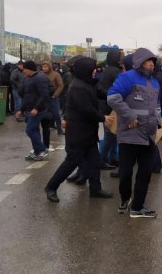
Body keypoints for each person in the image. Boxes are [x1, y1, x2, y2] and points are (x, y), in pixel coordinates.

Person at [45, 57, 113, 202]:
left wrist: (115, 96)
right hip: (77, 133)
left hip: (88, 132)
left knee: (94, 162)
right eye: (93, 69)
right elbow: (86, 109)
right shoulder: (77, 87)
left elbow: (101, 93)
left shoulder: (88, 83)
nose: (96, 71)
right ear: (86, 70)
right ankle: (51, 187)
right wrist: (103, 118)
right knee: (71, 162)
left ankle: (95, 189)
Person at [107, 48, 161, 218]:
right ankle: (124, 199)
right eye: (148, 60)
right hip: (130, 134)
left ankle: (137, 207)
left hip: (148, 136)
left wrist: (158, 120)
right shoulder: (127, 77)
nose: (151, 64)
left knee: (145, 173)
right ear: (139, 62)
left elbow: (156, 106)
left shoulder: (154, 82)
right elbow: (113, 98)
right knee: (126, 172)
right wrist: (129, 116)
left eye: (153, 61)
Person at [16, 61, 51, 161]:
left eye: (25, 69)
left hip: (39, 109)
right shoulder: (28, 79)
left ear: (30, 69)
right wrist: (21, 110)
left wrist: (37, 108)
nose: (23, 71)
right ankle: (37, 151)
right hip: (30, 108)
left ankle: (41, 149)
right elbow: (27, 97)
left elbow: (44, 95)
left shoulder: (40, 78)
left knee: (30, 130)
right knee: (34, 129)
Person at [96, 49, 122, 171]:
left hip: (105, 106)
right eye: (120, 57)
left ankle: (112, 158)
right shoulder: (116, 71)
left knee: (112, 134)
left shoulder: (107, 70)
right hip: (110, 107)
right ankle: (101, 160)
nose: (122, 59)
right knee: (110, 135)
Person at [41, 61, 64, 135]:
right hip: (43, 98)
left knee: (56, 114)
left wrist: (55, 95)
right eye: (43, 67)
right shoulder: (40, 75)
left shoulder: (55, 74)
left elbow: (60, 85)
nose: (44, 68)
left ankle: (59, 129)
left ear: (49, 67)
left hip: (53, 98)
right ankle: (47, 127)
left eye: (46, 67)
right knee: (44, 114)